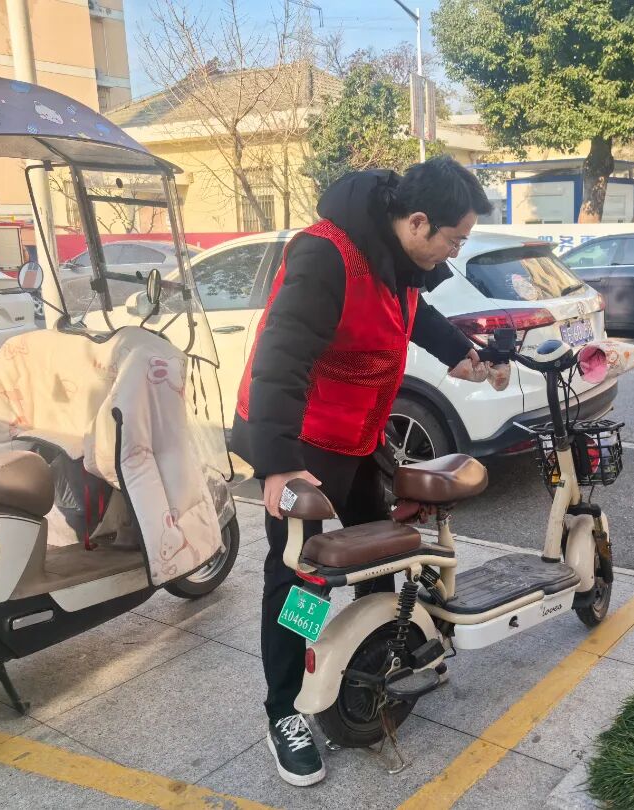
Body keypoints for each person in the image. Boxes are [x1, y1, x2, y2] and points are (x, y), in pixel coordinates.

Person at [232, 156, 494, 787]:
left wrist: (461, 353)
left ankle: (381, 662)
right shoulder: (327, 255)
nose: (454, 253)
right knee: (303, 581)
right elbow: (280, 357)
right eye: (454, 240)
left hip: (359, 438)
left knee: (382, 559)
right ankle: (285, 709)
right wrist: (279, 466)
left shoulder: (401, 255)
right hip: (303, 444)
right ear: (419, 221)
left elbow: (411, 313)